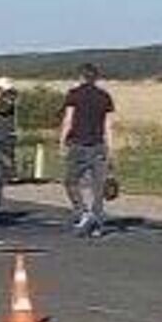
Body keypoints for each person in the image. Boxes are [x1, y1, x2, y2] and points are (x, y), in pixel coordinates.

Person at [59, 63, 115, 237]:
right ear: (96, 78)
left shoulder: (74, 95)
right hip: (98, 145)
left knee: (71, 181)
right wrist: (111, 148)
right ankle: (97, 221)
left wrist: (61, 141)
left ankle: (83, 212)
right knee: (98, 186)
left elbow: (68, 120)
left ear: (81, 77)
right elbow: (108, 125)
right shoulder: (105, 96)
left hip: (78, 145)